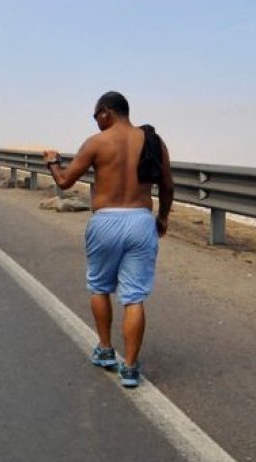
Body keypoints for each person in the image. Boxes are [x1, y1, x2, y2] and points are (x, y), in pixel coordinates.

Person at [42, 91, 174, 388]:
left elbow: (64, 181)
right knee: (134, 296)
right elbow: (167, 186)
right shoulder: (154, 142)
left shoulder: (97, 143)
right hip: (141, 220)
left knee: (100, 287)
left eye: (96, 116)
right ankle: (130, 367)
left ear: (106, 112)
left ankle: (105, 349)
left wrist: (52, 162)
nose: (96, 122)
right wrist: (162, 218)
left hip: (105, 221)